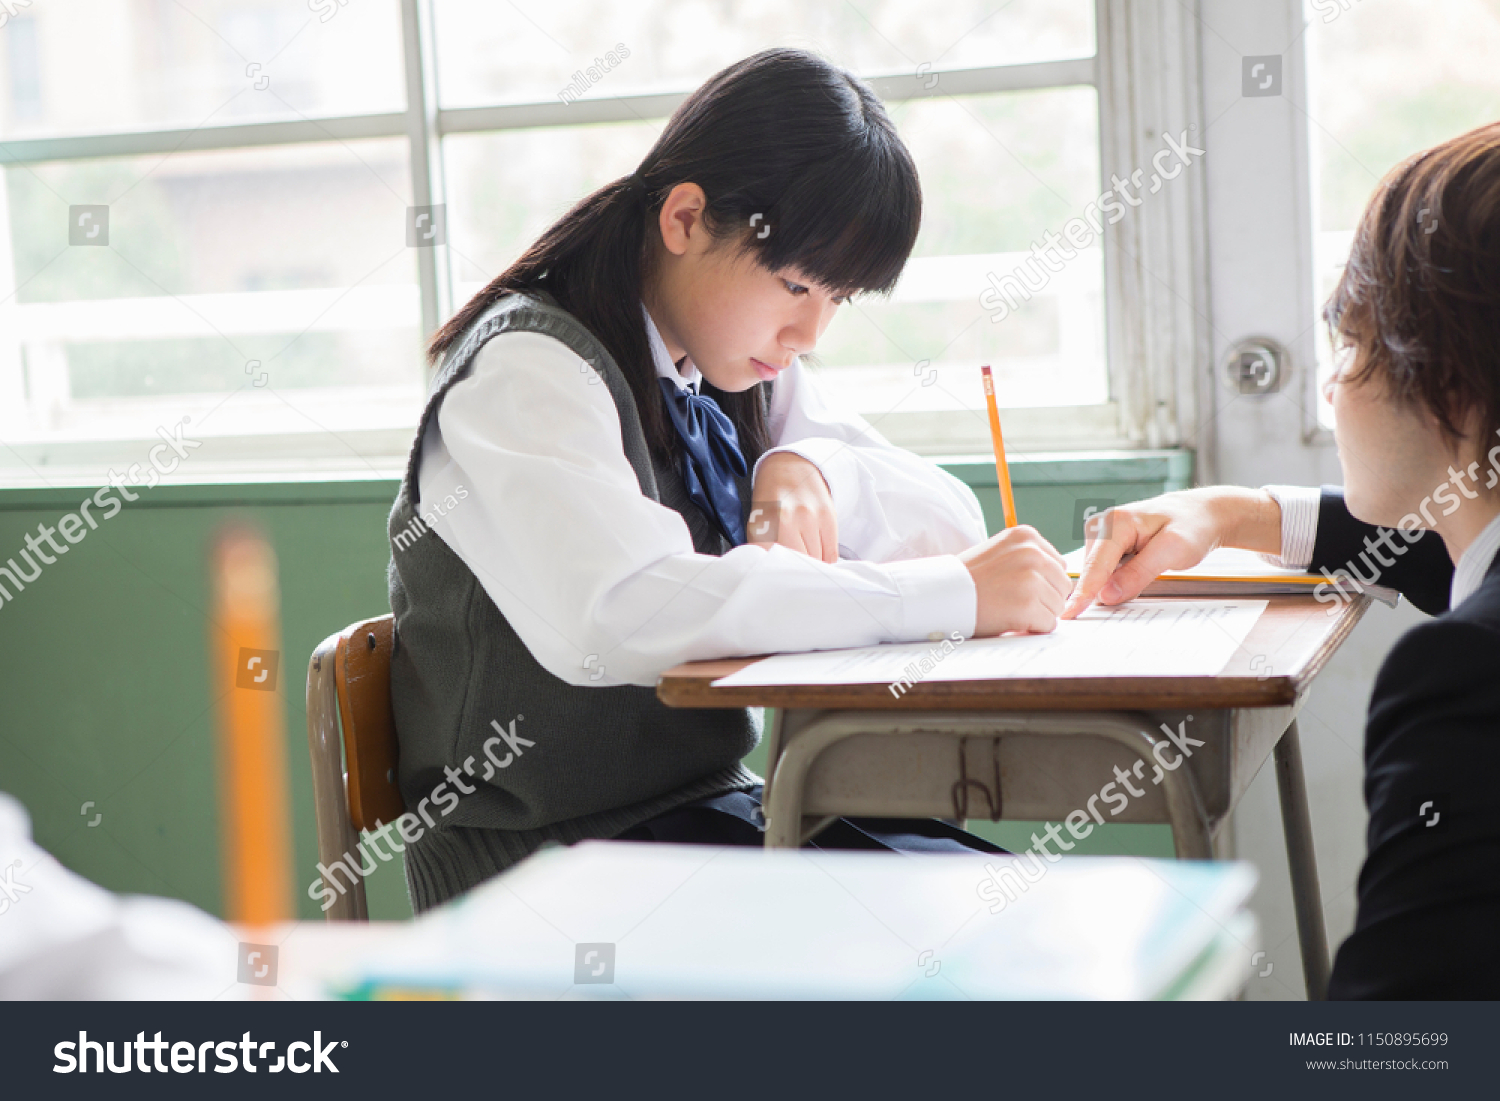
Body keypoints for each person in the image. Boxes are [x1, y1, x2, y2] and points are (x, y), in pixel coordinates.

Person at [386, 49, 1072, 911]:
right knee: (990, 927)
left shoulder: (727, 361)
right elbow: (625, 613)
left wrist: (805, 464)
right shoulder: (529, 371)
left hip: (705, 819)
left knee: (1024, 904)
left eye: (839, 299)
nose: (809, 331)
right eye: (794, 284)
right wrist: (947, 597)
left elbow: (946, 518)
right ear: (684, 218)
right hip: (548, 870)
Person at [1064, 121, 1500, 998]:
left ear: (1449, 386)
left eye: (1354, 346)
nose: (1333, 387)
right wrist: (1226, 511)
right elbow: (1436, 549)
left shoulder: (1464, 676)